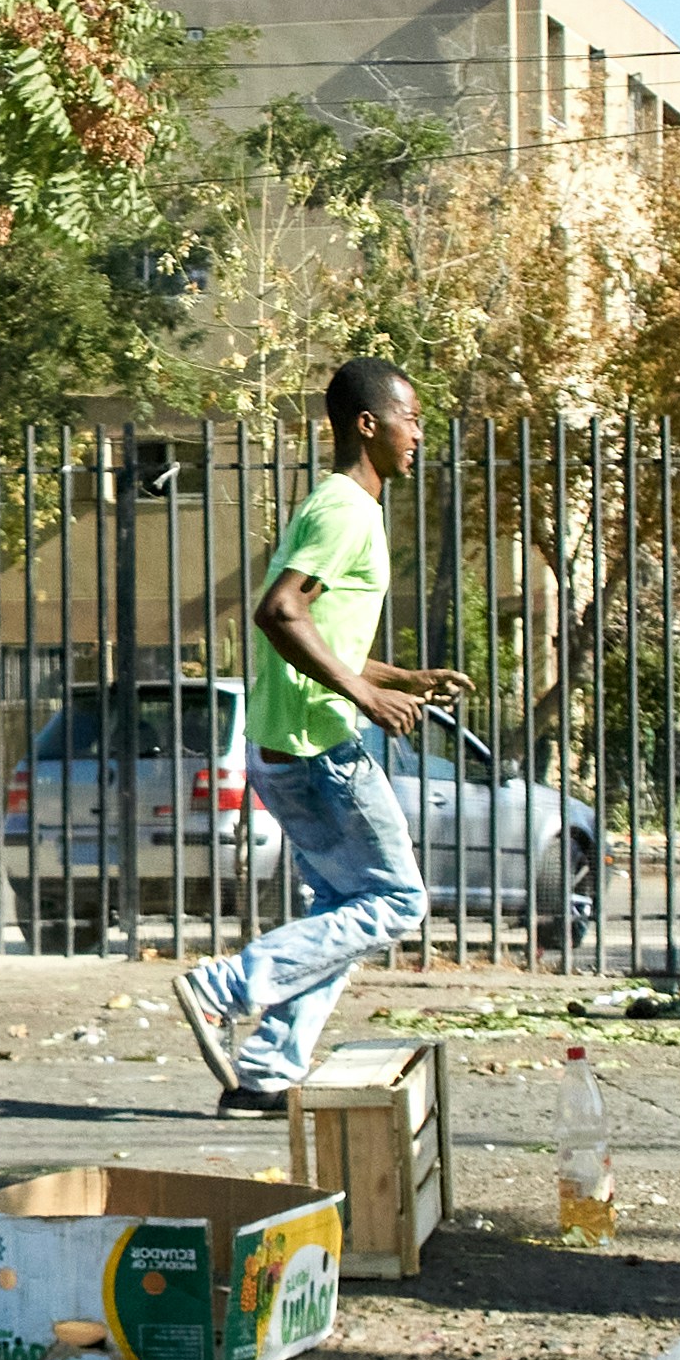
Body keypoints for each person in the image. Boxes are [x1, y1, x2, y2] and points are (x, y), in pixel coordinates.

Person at [173, 358, 465, 1117]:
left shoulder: (332, 506)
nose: (419, 435)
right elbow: (279, 613)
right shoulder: (347, 511)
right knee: (397, 902)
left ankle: (266, 1073)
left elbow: (315, 630)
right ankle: (226, 988)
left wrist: (397, 677)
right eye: (412, 418)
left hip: (285, 744)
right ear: (368, 424)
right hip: (318, 747)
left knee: (343, 910)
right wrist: (363, 694)